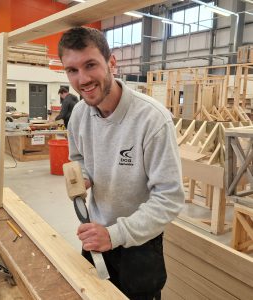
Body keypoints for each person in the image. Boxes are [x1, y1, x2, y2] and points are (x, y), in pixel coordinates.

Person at [58, 27, 184, 300]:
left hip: (140, 240)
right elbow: (78, 159)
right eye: (72, 70)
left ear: (111, 62)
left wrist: (115, 235)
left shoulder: (152, 120)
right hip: (95, 232)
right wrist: (84, 176)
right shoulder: (79, 114)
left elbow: (170, 197)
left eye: (90, 65)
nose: (83, 79)